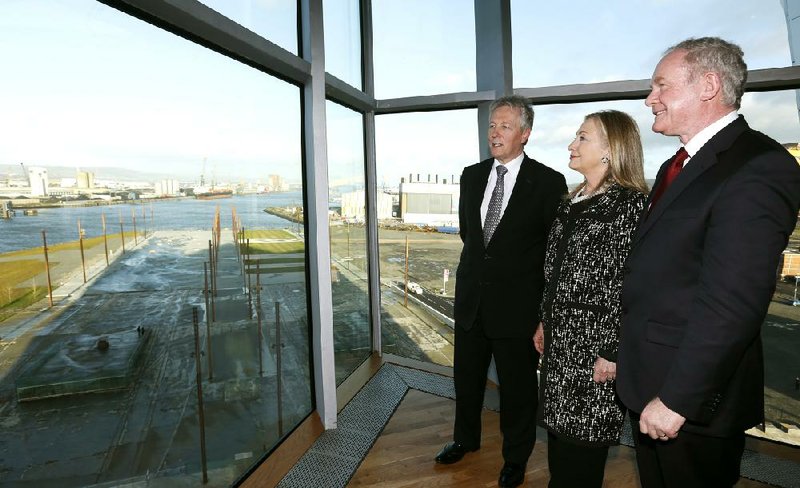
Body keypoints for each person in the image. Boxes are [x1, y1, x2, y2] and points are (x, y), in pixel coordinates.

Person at [616, 37, 800, 488]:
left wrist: (678, 399)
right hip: (651, 381)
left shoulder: (759, 166)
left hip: (690, 400)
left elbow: (733, 302)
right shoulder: (676, 166)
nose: (649, 98)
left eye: (661, 86)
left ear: (709, 85)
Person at [435, 95, 566, 487]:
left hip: (518, 309)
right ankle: (465, 439)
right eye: (492, 126)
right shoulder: (471, 176)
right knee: (467, 379)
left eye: (505, 126)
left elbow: (553, 252)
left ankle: (515, 458)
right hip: (472, 302)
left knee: (518, 391)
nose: (495, 133)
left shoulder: (548, 182)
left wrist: (543, 312)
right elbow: (470, 236)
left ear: (525, 134)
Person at [533, 110, 648, 487]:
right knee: (560, 450)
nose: (571, 144)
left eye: (582, 137)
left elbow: (633, 285)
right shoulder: (571, 202)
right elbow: (556, 272)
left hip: (595, 353)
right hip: (561, 347)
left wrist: (614, 351)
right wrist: (544, 321)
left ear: (610, 150)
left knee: (582, 453)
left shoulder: (629, 206)